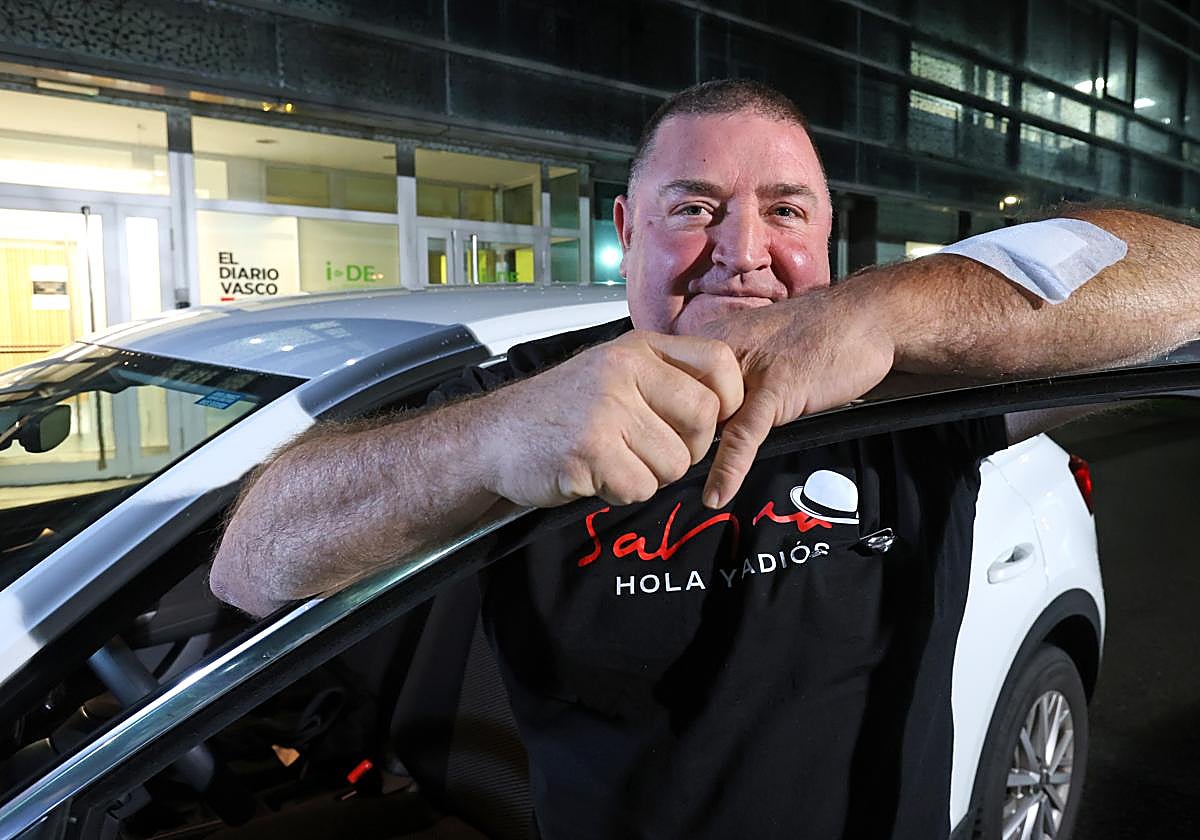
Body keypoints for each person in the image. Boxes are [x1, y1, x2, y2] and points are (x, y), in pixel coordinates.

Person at [211, 80, 1200, 838]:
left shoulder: (907, 392)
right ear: (627, 230)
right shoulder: (539, 401)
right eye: (692, 208)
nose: (742, 250)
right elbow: (251, 560)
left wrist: (889, 309)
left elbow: (1180, 280)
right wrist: (492, 440)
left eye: (786, 209)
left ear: (827, 239)